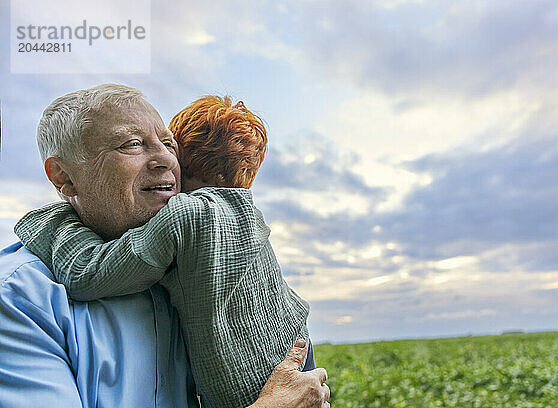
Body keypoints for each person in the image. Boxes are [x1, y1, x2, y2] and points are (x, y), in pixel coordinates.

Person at [0, 84, 330, 408]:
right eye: (131, 144)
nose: (165, 160)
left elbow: (88, 270)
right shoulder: (20, 298)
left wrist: (50, 222)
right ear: (64, 176)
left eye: (170, 144)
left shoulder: (181, 253)